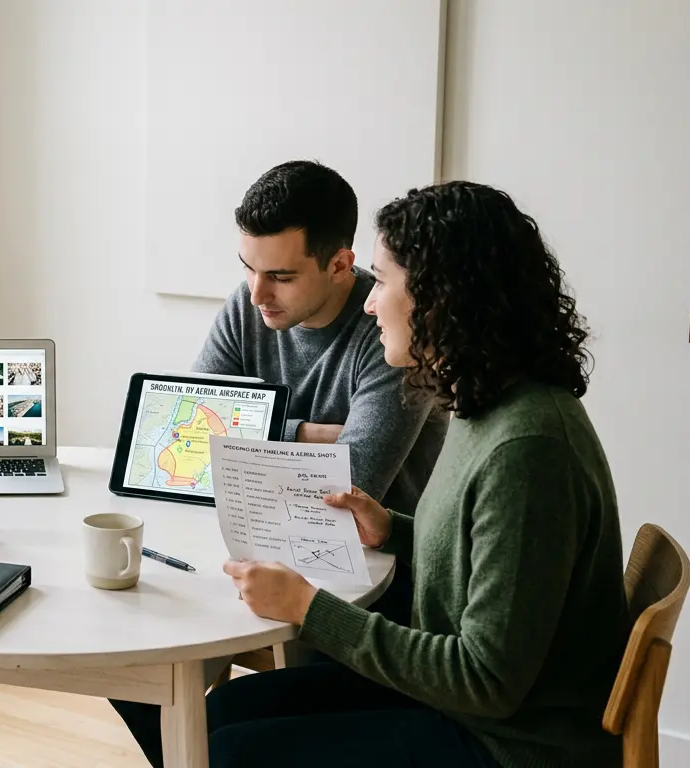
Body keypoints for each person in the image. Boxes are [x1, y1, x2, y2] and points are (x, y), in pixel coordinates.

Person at [127, 181, 633, 767]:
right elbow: (497, 564)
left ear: (444, 298)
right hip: (465, 705)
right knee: (207, 720)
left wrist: (309, 608)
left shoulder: (527, 449)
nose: (370, 303)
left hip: (511, 743)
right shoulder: (487, 402)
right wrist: (391, 528)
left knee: (227, 751)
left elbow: (486, 680)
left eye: (384, 281)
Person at [193, 160, 446, 515]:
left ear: (340, 265)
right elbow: (192, 431)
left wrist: (245, 433)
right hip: (259, 527)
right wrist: (305, 434)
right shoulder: (245, 305)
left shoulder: (393, 330)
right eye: (249, 268)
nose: (256, 295)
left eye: (281, 278)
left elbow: (350, 489)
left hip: (373, 556)